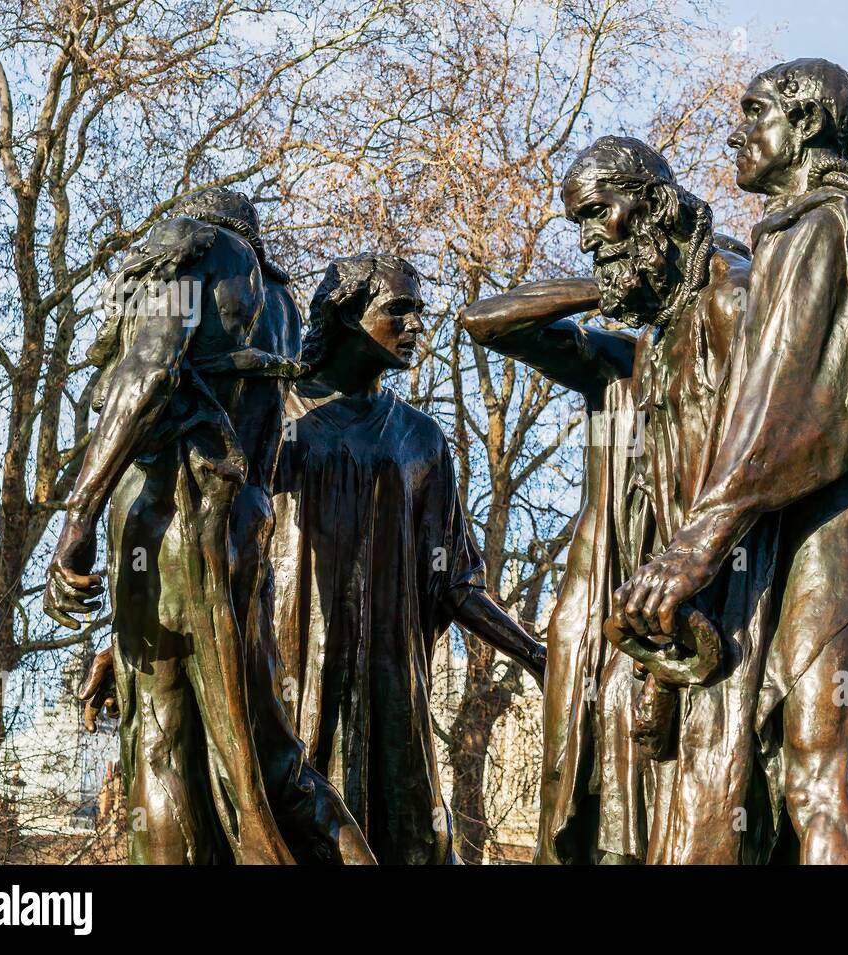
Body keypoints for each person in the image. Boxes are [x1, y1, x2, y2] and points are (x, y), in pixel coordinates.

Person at [612, 59, 848, 863]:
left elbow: (787, 411)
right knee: (817, 776)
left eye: (754, 110)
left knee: (817, 777)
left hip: (826, 538)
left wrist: (697, 540)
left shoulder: (817, 227)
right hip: (825, 534)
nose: (736, 129)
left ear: (806, 126)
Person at [47, 189, 372, 864]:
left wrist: (75, 523)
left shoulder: (196, 248)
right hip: (234, 538)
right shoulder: (277, 303)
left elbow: (148, 371)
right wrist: (122, 638)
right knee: (267, 756)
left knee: (164, 750)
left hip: (175, 520)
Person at [460, 136, 753, 863]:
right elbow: (483, 321)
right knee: (603, 792)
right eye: (578, 226)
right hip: (618, 606)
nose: (589, 238)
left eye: (597, 216)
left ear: (652, 204)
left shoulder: (735, 299)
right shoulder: (627, 361)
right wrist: (616, 283)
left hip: (714, 600)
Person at [271, 252, 547, 864]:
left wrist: (537, 656)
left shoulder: (419, 437)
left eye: (420, 311)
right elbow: (217, 539)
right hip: (289, 671)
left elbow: (454, 581)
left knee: (411, 842)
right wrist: (128, 641)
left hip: (392, 680)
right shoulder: (277, 414)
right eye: (398, 310)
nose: (416, 325)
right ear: (345, 317)